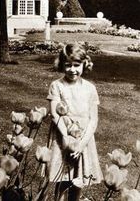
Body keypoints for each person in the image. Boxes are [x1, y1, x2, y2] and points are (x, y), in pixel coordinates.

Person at [47, 43, 103, 201]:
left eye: (76, 65)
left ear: (84, 64)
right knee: (63, 177)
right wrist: (66, 137)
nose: (72, 69)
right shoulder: (56, 86)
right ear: (61, 65)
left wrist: (82, 143)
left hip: (83, 139)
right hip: (62, 138)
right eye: (68, 65)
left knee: (78, 180)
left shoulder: (90, 88)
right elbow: (54, 114)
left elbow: (93, 120)